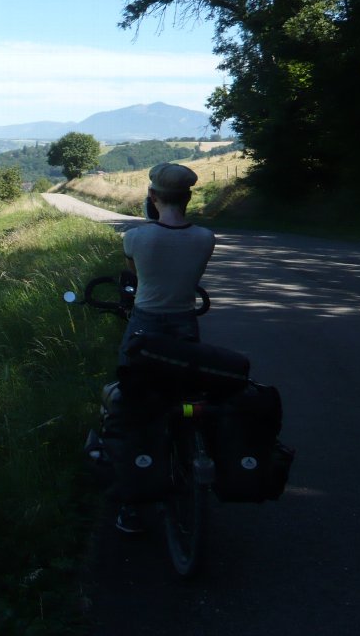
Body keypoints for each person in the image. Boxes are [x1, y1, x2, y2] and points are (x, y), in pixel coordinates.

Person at [114, 162, 215, 534]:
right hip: (186, 326)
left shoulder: (136, 238)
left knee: (132, 404)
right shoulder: (206, 238)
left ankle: (132, 499)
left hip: (146, 325)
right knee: (186, 394)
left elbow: (138, 279)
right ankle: (190, 456)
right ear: (188, 197)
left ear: (152, 198)